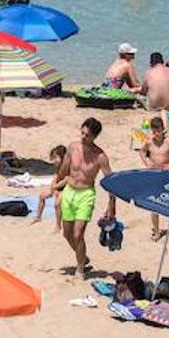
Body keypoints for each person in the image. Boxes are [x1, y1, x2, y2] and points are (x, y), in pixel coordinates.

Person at [56, 119, 117, 277]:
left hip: (86, 194)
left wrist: (111, 205)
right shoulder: (72, 147)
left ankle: (80, 268)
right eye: (82, 133)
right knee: (67, 234)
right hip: (69, 191)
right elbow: (64, 169)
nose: (83, 137)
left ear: (94, 137)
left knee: (78, 234)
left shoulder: (100, 156)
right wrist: (55, 186)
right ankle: (83, 258)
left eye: (87, 135)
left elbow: (110, 181)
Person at [140, 118, 169, 239]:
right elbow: (141, 151)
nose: (156, 133)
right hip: (153, 174)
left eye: (158, 131)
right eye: (154, 131)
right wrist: (146, 161)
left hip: (166, 174)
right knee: (154, 203)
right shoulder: (149, 142)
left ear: (163, 130)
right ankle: (156, 230)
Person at [31, 145, 68, 232]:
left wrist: (56, 187)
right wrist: (52, 188)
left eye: (56, 158)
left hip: (67, 188)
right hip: (58, 187)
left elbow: (67, 180)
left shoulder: (67, 167)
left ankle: (58, 225)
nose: (54, 160)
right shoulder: (58, 167)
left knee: (57, 203)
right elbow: (56, 177)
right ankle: (38, 217)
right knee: (42, 196)